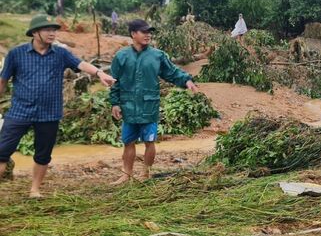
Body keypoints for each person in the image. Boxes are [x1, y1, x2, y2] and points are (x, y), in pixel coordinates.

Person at [0, 15, 116, 197]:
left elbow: (81, 63)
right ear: (35, 32)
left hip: (49, 114)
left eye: (54, 30)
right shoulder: (16, 54)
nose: (52, 33)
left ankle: (35, 190)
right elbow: (3, 80)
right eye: (47, 29)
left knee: (43, 154)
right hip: (19, 111)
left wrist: (100, 73)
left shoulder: (61, 53)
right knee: (2, 151)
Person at [110, 19, 199, 184]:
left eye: (149, 32)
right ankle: (126, 174)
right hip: (128, 106)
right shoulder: (121, 56)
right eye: (144, 32)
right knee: (128, 141)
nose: (148, 35)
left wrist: (186, 80)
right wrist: (115, 103)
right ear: (133, 34)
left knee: (149, 141)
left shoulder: (157, 55)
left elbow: (172, 72)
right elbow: (115, 81)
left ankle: (146, 173)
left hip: (149, 106)